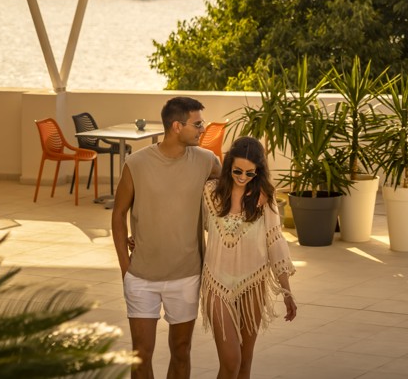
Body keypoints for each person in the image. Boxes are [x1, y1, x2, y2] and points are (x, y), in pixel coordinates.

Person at [112, 96, 221, 379]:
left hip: (186, 275)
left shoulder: (207, 161)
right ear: (176, 126)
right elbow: (118, 214)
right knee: (141, 355)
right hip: (141, 278)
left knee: (181, 350)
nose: (203, 130)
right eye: (197, 124)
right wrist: (126, 268)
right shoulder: (136, 163)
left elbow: (229, 199)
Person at [201, 136, 297, 379]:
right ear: (228, 164)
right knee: (231, 361)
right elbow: (183, 222)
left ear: (259, 171)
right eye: (237, 171)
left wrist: (287, 292)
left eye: (250, 173)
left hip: (252, 284)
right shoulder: (210, 193)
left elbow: (275, 242)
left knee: (245, 361)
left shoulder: (264, 198)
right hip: (216, 285)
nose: (243, 177)